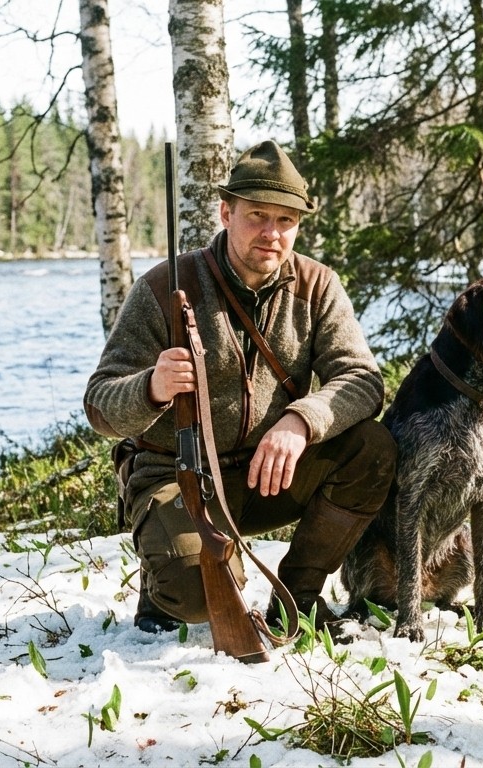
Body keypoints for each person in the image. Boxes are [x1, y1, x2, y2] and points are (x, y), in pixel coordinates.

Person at [83, 140, 396, 634]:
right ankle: (164, 577)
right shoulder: (165, 285)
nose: (272, 233)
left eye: (286, 220)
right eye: (257, 216)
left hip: (266, 473)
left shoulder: (318, 286)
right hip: (177, 475)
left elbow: (362, 380)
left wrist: (301, 422)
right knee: (198, 597)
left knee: (372, 449)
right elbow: (100, 406)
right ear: (226, 213)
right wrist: (152, 387)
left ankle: (299, 594)